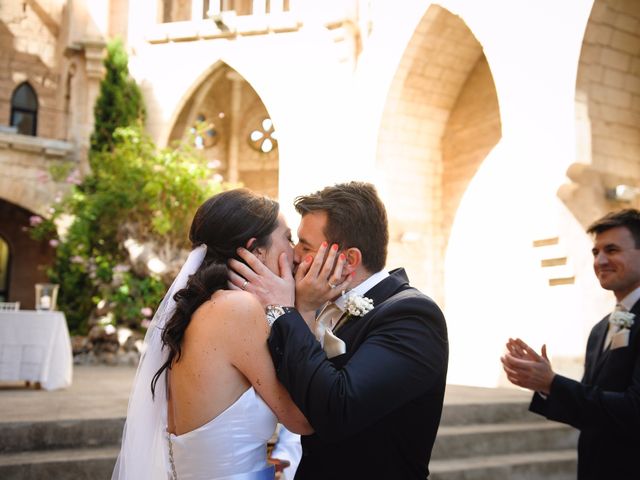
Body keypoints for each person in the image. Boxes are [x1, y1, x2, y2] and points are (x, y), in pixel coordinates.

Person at [228, 181, 449, 479]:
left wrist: (293, 313)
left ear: (349, 259)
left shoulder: (412, 316)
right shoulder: (318, 304)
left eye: (305, 247)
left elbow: (337, 409)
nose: (294, 256)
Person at [112, 189, 312, 480]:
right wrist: (300, 311)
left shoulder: (204, 308)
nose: (295, 253)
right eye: (289, 238)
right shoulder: (236, 309)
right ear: (256, 250)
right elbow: (301, 419)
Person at [501, 208, 640, 480]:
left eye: (611, 250)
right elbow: (592, 409)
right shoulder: (601, 328)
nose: (600, 260)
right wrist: (545, 385)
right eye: (595, 252)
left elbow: (634, 410)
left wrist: (553, 383)